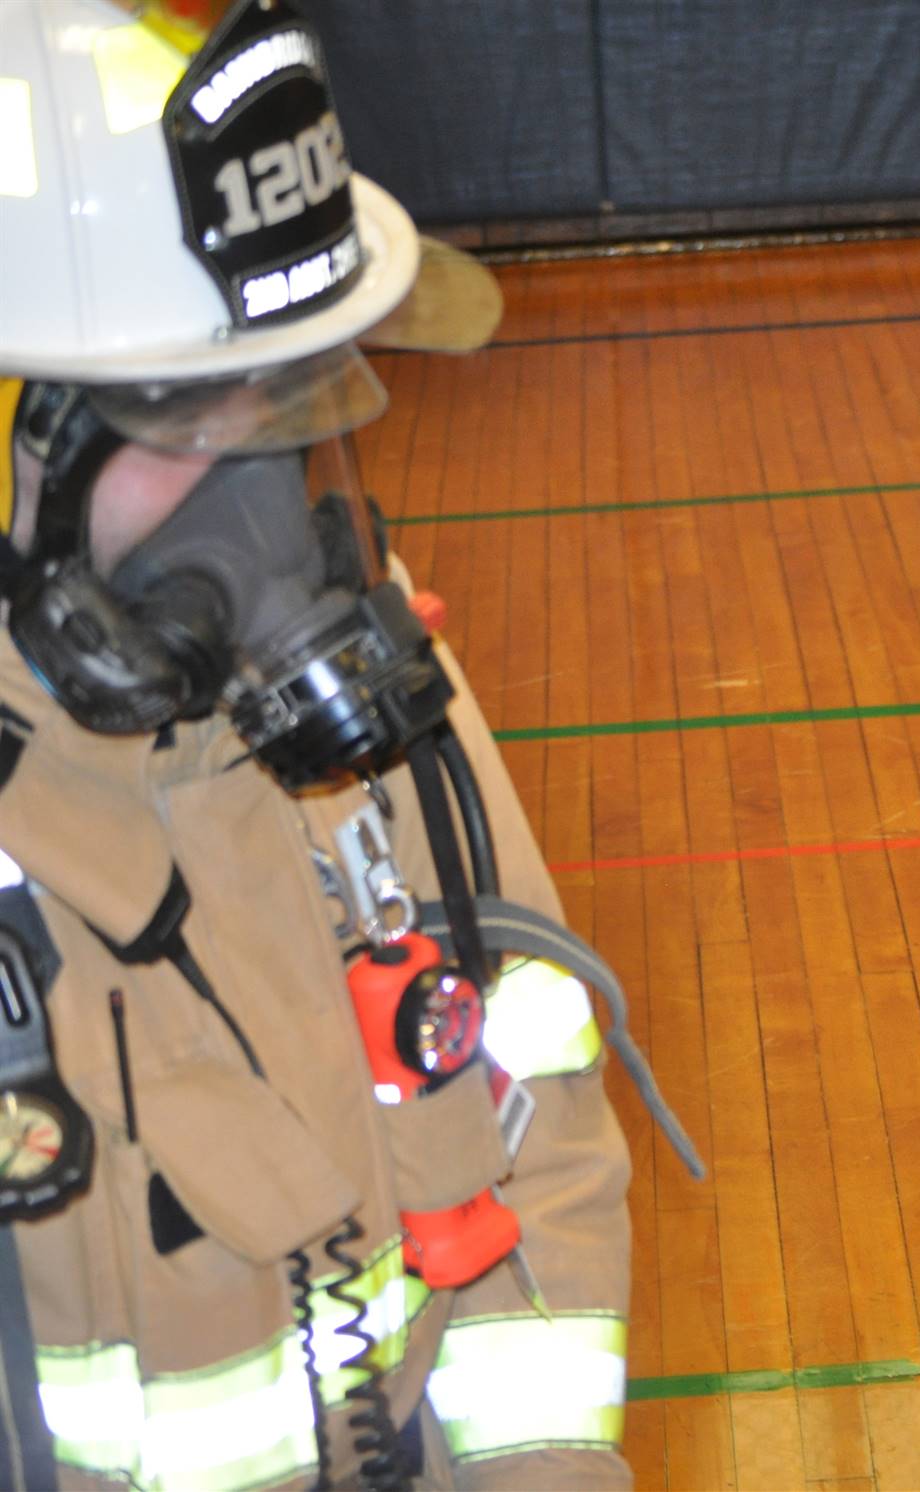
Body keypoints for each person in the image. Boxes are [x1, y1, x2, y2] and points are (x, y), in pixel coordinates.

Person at [0, 1, 692, 1486]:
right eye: (187, 425)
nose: (259, 519)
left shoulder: (363, 722)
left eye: (287, 414)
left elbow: (540, 1147)